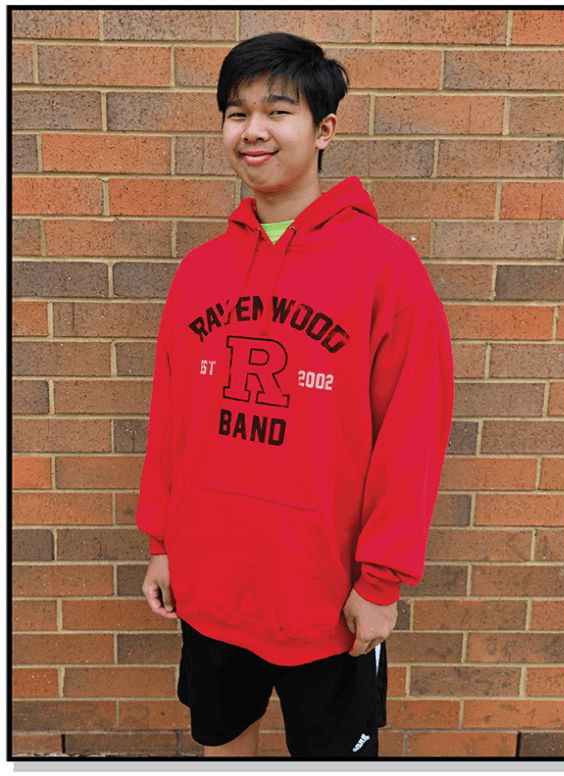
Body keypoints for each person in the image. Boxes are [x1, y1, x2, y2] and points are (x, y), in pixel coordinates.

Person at [137, 31, 454, 759]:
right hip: (213, 584)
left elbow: (414, 431)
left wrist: (380, 582)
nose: (253, 130)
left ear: (324, 130)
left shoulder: (386, 270)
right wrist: (163, 541)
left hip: (325, 597)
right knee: (223, 743)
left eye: (277, 111)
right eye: (235, 112)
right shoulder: (201, 271)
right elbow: (174, 419)